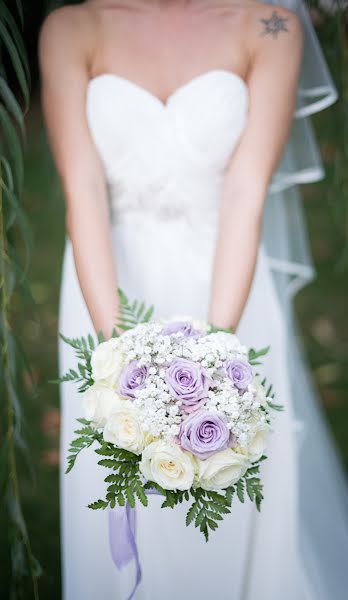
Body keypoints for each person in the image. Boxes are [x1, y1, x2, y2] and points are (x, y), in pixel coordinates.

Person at [38, 1, 348, 598]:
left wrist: (214, 359)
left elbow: (245, 193)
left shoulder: (266, 27)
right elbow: (83, 193)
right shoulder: (73, 28)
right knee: (119, 483)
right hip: (107, 284)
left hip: (228, 283)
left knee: (227, 490)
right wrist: (119, 359)